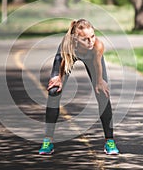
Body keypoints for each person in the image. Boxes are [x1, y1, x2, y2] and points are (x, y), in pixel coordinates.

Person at [38, 19, 119, 155]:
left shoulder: (97, 45)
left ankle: (110, 141)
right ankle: (47, 141)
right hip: (66, 57)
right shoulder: (68, 44)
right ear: (76, 39)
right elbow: (64, 61)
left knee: (103, 93)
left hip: (93, 59)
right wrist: (60, 78)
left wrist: (99, 81)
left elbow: (97, 63)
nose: (90, 41)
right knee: (54, 91)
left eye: (92, 36)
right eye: (85, 39)